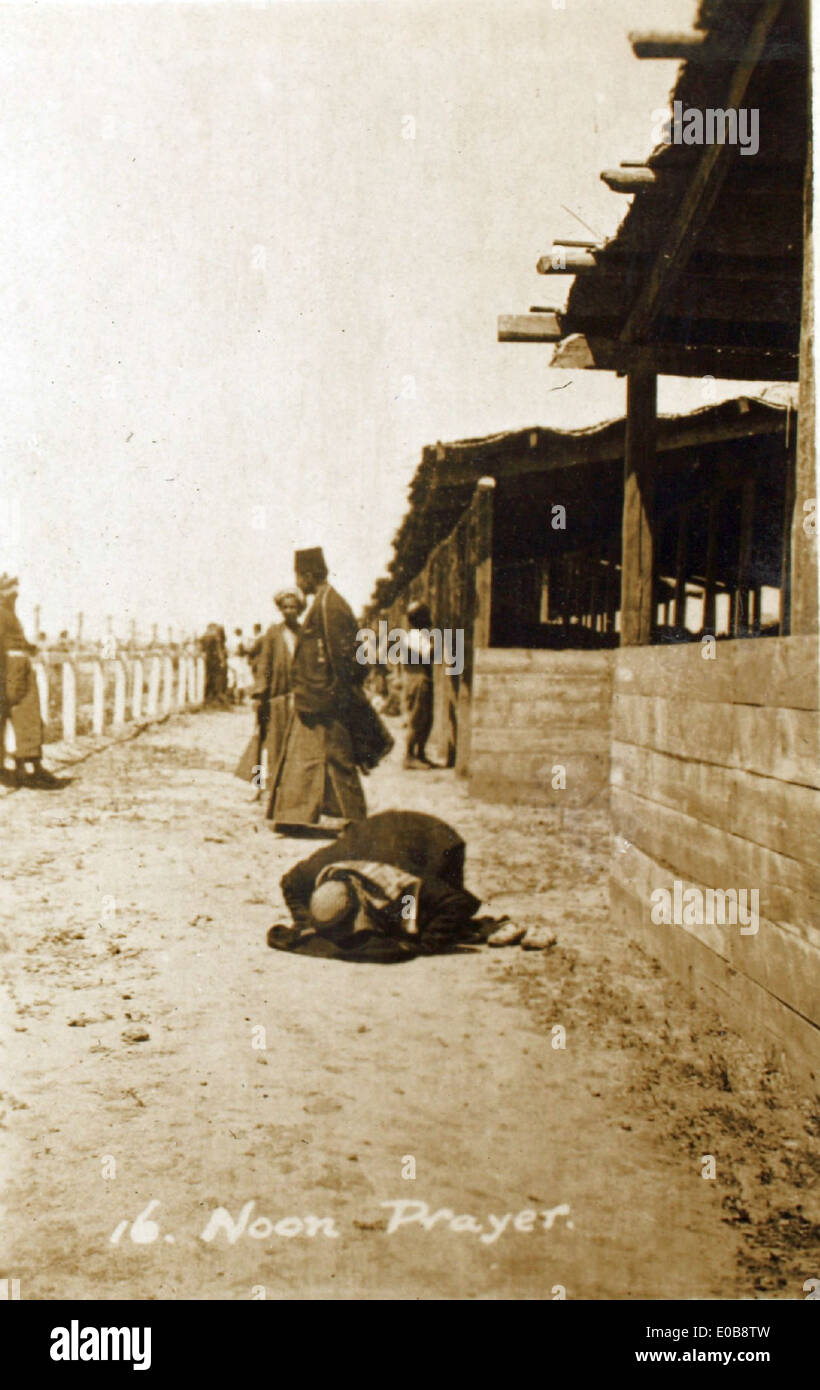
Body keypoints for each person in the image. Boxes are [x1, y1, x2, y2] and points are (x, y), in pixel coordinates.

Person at [266, 809, 553, 960]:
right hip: (378, 832)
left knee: (423, 914)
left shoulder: (400, 883)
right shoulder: (315, 871)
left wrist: (425, 945)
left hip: (436, 840)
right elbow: (288, 882)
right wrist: (305, 921)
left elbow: (458, 904)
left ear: (364, 903)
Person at [266, 547, 367, 832]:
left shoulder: (329, 607)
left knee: (340, 758)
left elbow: (343, 658)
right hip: (317, 698)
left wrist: (332, 696)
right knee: (315, 757)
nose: (297, 583)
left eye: (299, 577)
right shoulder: (325, 602)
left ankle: (358, 825)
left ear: (309, 576)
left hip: (327, 700)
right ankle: (294, 817)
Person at [235, 587, 305, 790]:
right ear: (280, 610)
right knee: (263, 741)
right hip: (276, 697)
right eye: (285, 607)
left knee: (293, 746)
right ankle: (258, 786)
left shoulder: (303, 633)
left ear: (299, 609)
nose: (289, 611)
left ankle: (288, 789)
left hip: (298, 698)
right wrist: (259, 693)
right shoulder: (274, 633)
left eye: (293, 607)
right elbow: (265, 664)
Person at [0, 574, 61, 788]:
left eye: (15, 589)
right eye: (10, 589)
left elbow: (18, 641)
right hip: (7, 668)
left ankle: (32, 766)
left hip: (20, 668)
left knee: (29, 717)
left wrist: (31, 649)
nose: (15, 593)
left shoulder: (10, 613)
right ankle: (10, 770)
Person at [402, 600, 435, 769]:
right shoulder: (415, 636)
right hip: (418, 679)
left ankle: (420, 754)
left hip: (419, 679)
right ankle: (409, 756)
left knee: (427, 719)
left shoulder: (418, 635)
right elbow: (430, 653)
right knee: (417, 719)